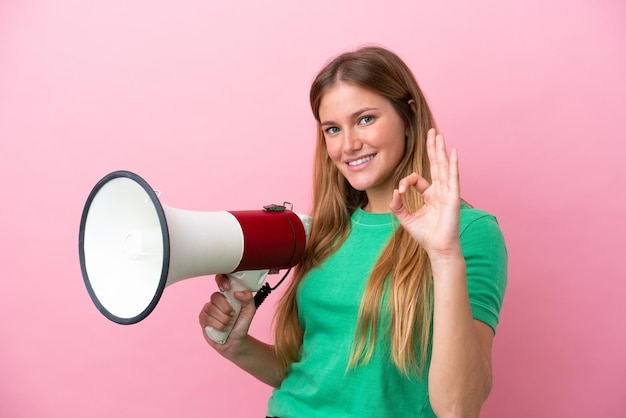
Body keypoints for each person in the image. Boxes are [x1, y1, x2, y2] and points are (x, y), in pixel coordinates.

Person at [198, 45, 507, 418]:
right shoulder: (325, 232)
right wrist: (238, 346)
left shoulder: (469, 232)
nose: (348, 145)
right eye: (333, 129)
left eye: (365, 119)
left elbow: (459, 408)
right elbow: (315, 375)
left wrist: (443, 255)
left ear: (408, 118)